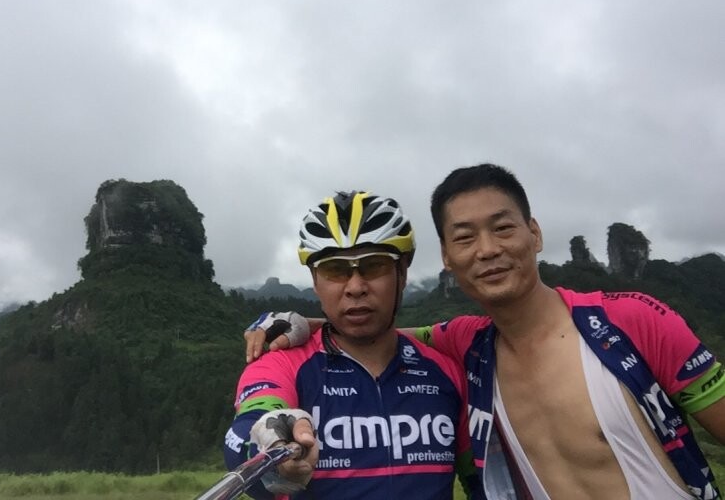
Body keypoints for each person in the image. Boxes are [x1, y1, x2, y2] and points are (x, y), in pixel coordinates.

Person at [247, 164, 725, 500]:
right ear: (447, 258)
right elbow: (383, 333)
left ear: (535, 233)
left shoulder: (632, 322)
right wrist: (301, 324)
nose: (488, 249)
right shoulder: (469, 345)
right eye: (465, 237)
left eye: (502, 228)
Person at [224, 191, 484, 499]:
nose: (356, 287)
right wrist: (273, 446)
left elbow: (482, 482)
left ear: (402, 273)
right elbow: (247, 431)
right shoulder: (281, 362)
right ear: (315, 280)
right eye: (335, 270)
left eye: (374, 266)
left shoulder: (447, 371)